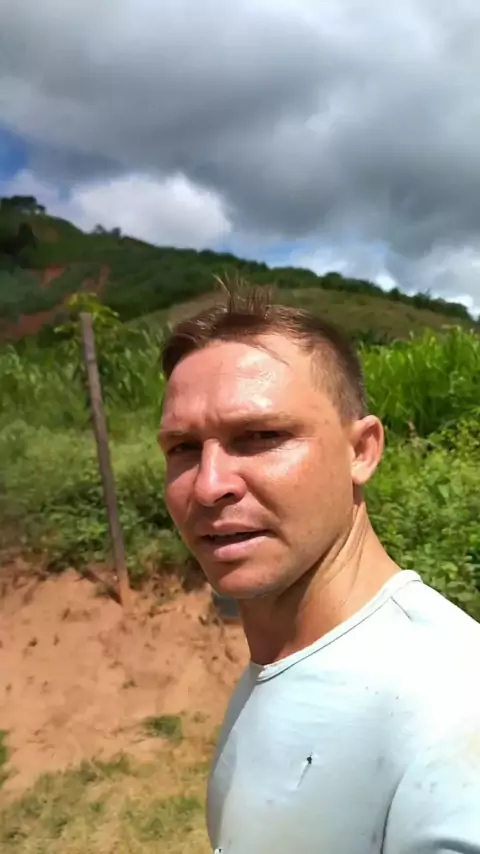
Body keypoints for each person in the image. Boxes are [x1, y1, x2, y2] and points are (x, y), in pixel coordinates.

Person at [158, 280, 480, 854]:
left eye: (260, 436)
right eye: (183, 447)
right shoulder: (289, 659)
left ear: (362, 451)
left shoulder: (452, 707)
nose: (208, 486)